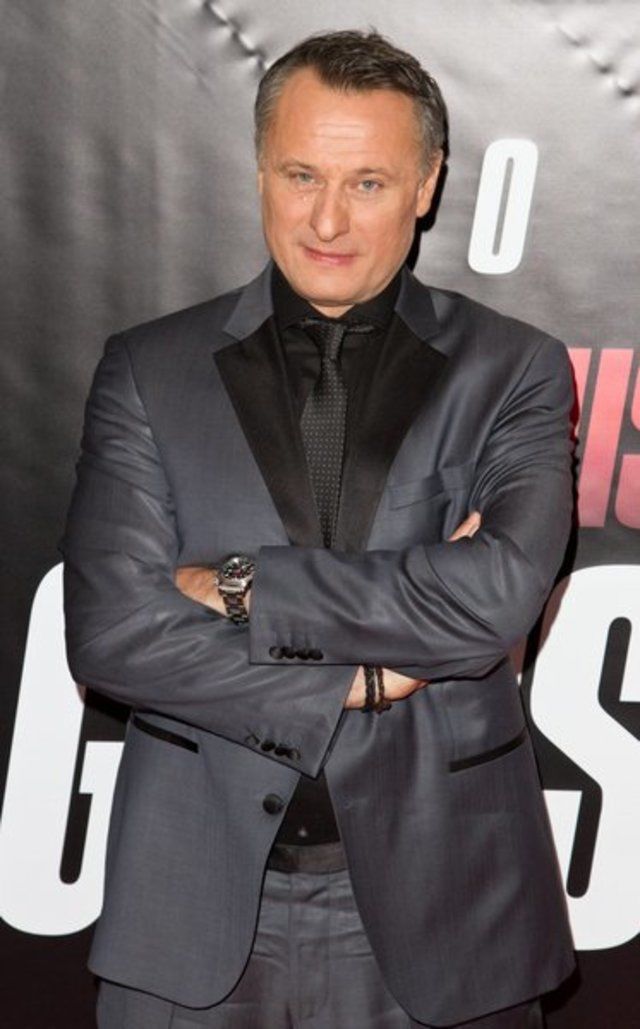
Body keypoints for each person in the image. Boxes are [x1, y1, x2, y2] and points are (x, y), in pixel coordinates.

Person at [62, 29, 575, 1029]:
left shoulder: (513, 368)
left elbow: (497, 597)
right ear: (260, 168)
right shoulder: (148, 368)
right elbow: (113, 632)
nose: (326, 219)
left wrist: (240, 584)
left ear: (426, 184)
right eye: (301, 175)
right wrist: (356, 682)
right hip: (191, 907)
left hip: (449, 909)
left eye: (367, 183)